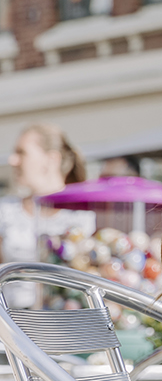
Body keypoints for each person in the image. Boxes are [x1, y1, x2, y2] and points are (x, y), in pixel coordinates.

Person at [1, 123, 93, 308]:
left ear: (51, 159)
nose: (12, 160)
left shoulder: (84, 214)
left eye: (22, 152)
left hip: (67, 322)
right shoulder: (5, 210)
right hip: (13, 324)